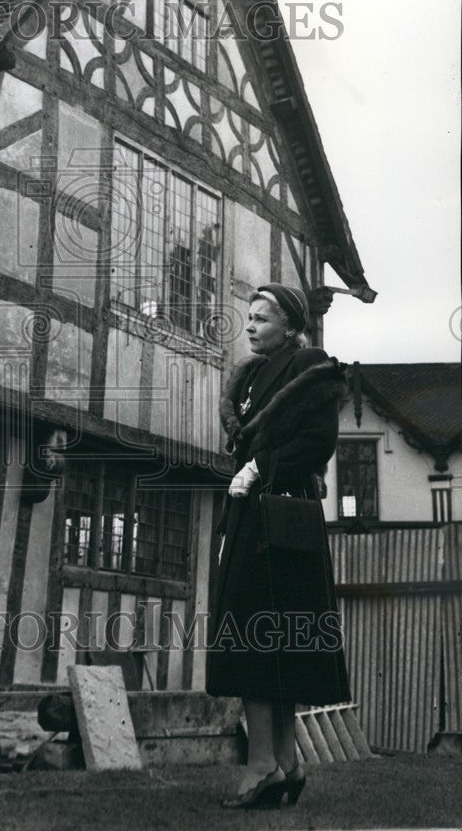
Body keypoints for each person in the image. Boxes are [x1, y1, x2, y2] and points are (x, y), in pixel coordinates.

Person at [207, 283, 350, 809]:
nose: (249, 326)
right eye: (247, 316)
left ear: (290, 325)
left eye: (262, 319)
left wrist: (258, 467)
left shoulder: (309, 364)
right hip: (259, 516)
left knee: (257, 638)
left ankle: (263, 765)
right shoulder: (248, 378)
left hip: (281, 520)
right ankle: (286, 763)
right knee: (269, 640)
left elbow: (318, 443)